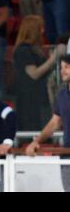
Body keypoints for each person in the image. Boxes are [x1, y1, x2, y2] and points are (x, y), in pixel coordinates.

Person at [13, 16, 67, 130]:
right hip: (30, 98)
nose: (43, 31)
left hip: (40, 95)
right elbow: (34, 74)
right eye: (40, 28)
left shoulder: (35, 49)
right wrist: (54, 58)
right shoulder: (23, 50)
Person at [26, 54, 70, 191]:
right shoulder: (61, 94)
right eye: (61, 67)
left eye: (67, 67)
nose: (62, 71)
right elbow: (55, 122)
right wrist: (36, 141)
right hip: (66, 154)